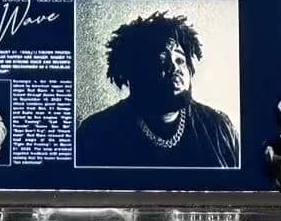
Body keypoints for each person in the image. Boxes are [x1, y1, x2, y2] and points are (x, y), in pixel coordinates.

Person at [75, 11, 239, 168]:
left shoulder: (218, 127)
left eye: (180, 60)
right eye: (161, 61)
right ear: (134, 73)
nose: (175, 68)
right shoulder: (96, 133)